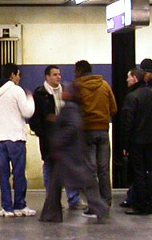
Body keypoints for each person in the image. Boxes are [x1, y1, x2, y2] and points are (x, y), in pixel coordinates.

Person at [39, 83, 110, 223]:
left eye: (65, 91)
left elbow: (73, 126)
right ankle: (51, 214)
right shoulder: (73, 108)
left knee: (75, 183)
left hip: (68, 154)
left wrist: (59, 141)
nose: (62, 93)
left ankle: (100, 208)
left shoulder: (70, 108)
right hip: (69, 153)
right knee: (57, 184)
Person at [0, 62, 36, 218]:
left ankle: (6, 208)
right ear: (13, 75)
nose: (19, 78)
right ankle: (20, 205)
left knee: (4, 175)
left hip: (0, 139)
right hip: (16, 139)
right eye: (18, 75)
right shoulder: (16, 91)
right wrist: (30, 99)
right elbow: (28, 112)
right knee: (19, 173)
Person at [31, 65, 84, 211]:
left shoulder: (66, 92)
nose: (58, 77)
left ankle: (74, 199)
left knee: (70, 169)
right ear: (47, 77)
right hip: (49, 141)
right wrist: (43, 134)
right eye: (54, 74)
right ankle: (53, 201)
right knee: (50, 170)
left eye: (59, 74)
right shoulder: (40, 95)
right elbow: (35, 119)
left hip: (66, 141)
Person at [74, 60, 118, 213]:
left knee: (90, 170)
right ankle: (106, 202)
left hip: (87, 133)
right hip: (103, 132)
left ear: (79, 71)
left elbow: (74, 111)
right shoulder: (104, 85)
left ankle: (94, 205)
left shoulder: (78, 87)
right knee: (104, 169)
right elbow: (114, 108)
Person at [120, 69, 152, 215]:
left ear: (134, 78)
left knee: (138, 173)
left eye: (128, 77)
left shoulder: (131, 97)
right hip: (150, 140)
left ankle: (141, 205)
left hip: (136, 142)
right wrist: (151, 131)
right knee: (151, 171)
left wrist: (125, 145)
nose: (127, 80)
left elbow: (127, 123)